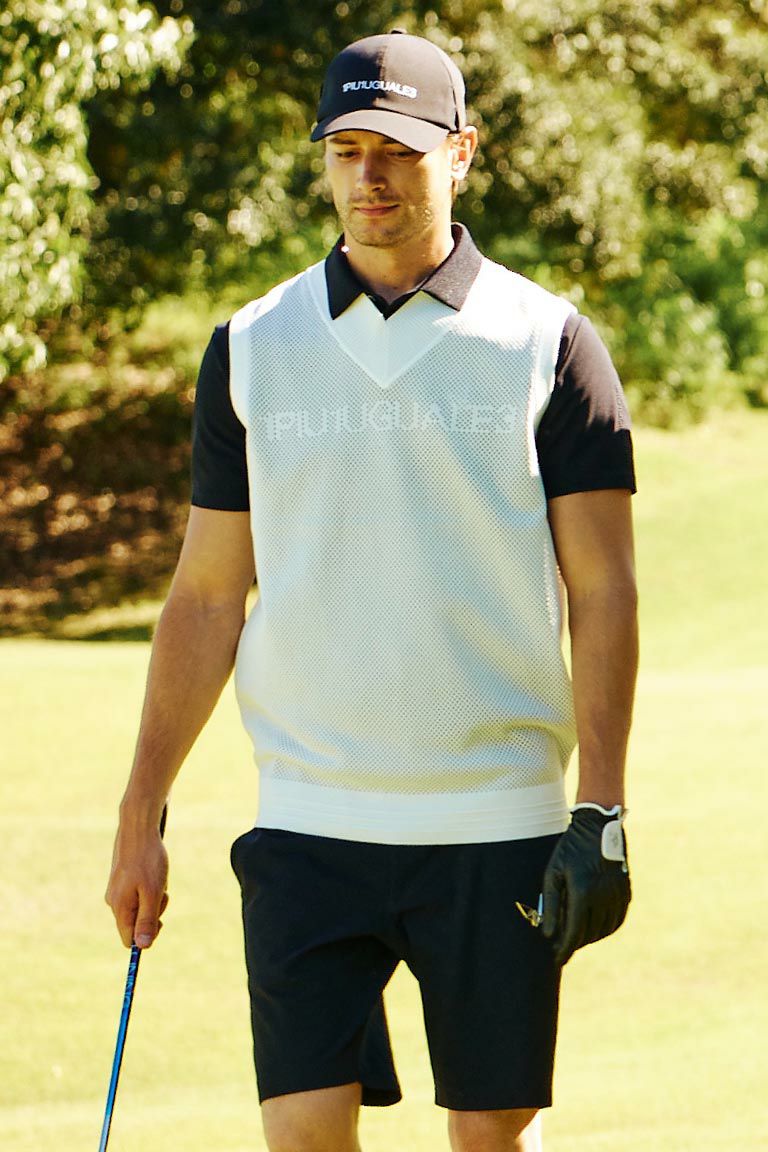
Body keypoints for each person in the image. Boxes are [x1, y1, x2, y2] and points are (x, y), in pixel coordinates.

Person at [106, 29, 638, 1152]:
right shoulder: (252, 346)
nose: (369, 177)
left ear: (461, 153)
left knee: (491, 1139)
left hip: (496, 822)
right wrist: (140, 809)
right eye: (346, 150)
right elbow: (206, 598)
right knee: (302, 1137)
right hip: (309, 821)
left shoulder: (551, 342)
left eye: (397, 150)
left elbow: (605, 589)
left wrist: (599, 806)